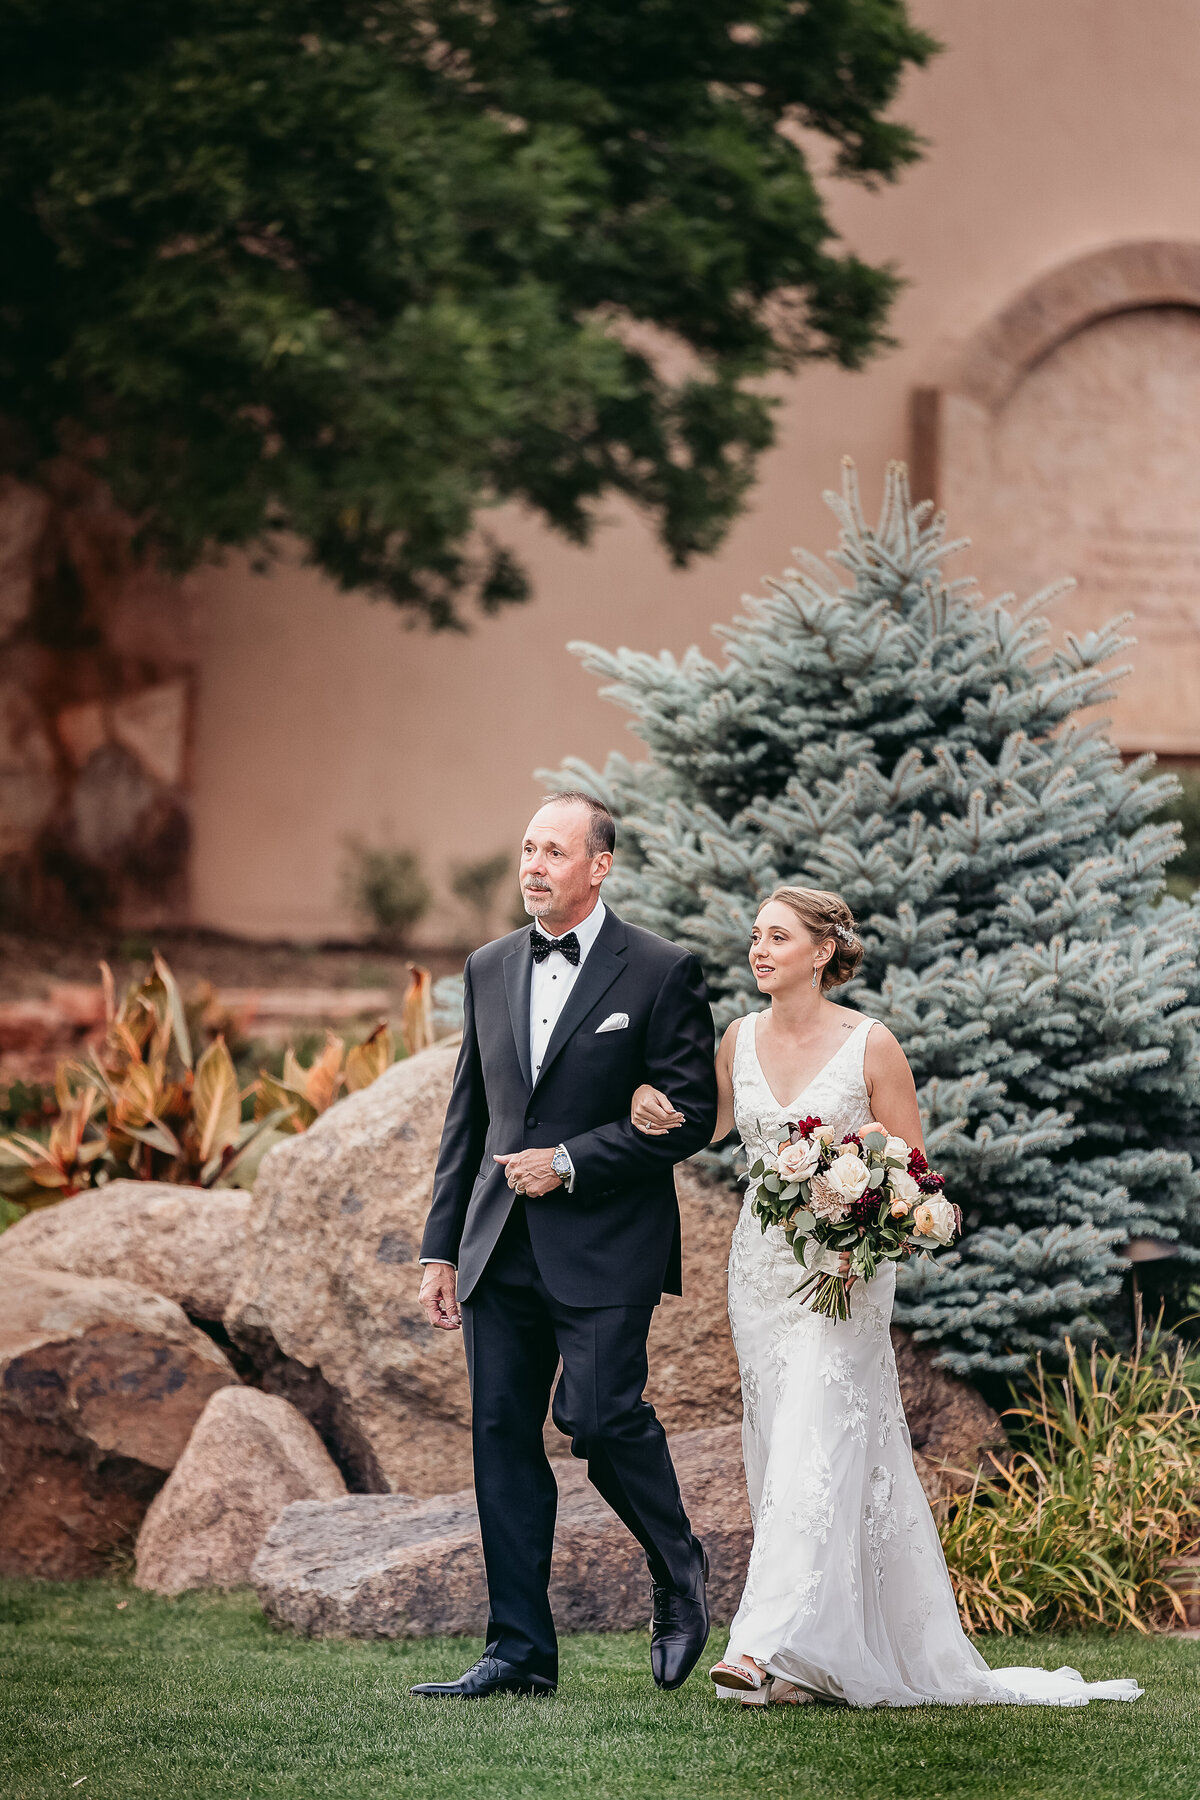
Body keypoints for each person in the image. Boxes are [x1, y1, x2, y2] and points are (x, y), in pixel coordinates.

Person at [631, 884, 1144, 1710]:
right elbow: (709, 1126)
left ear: (824, 951)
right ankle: (816, 1657)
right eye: (755, 937)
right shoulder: (737, 1039)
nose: (759, 950)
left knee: (811, 1433)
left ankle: (759, 1646)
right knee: (788, 1449)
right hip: (760, 1272)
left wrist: (860, 1225)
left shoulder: (872, 1046)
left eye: (778, 937)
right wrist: (647, 1104)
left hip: (844, 1279)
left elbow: (916, 1177)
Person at [411, 792, 719, 1699]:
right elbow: (470, 1116)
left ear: (601, 865)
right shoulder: (488, 965)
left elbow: (690, 1118)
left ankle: (678, 1570)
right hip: (497, 1247)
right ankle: (519, 1654)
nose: (533, 865)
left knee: (595, 1417)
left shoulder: (661, 971)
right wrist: (440, 1249)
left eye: (554, 851)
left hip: (607, 1244)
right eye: (527, 849)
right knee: (503, 1435)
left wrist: (573, 1162)